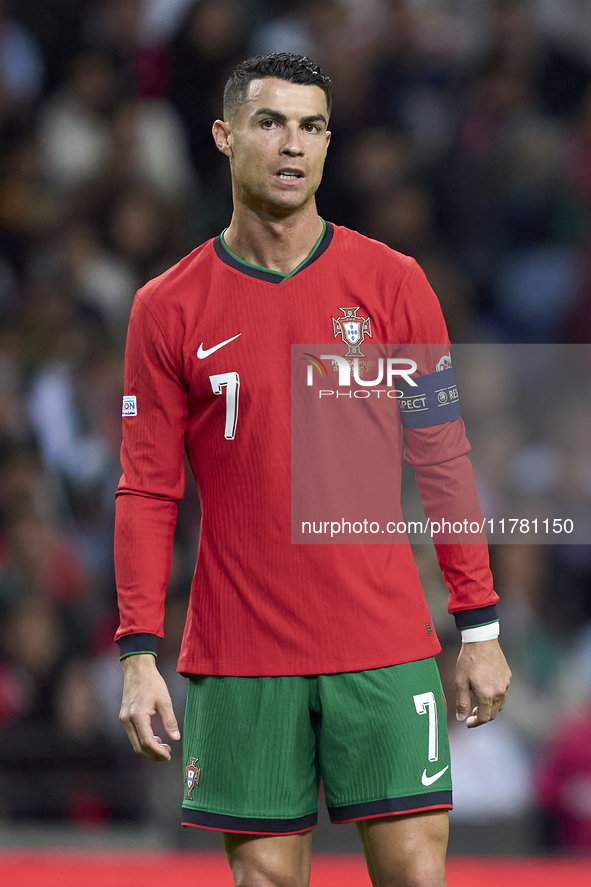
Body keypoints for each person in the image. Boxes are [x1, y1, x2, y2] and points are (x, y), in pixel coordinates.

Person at [115, 53, 511, 887]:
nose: (292, 144)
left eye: (311, 125)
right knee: (264, 880)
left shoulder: (392, 284)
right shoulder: (167, 307)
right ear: (224, 137)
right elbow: (148, 485)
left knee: (414, 874)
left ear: (328, 144)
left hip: (382, 639)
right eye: (269, 122)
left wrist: (477, 627)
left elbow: (441, 457)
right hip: (237, 648)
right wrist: (138, 650)